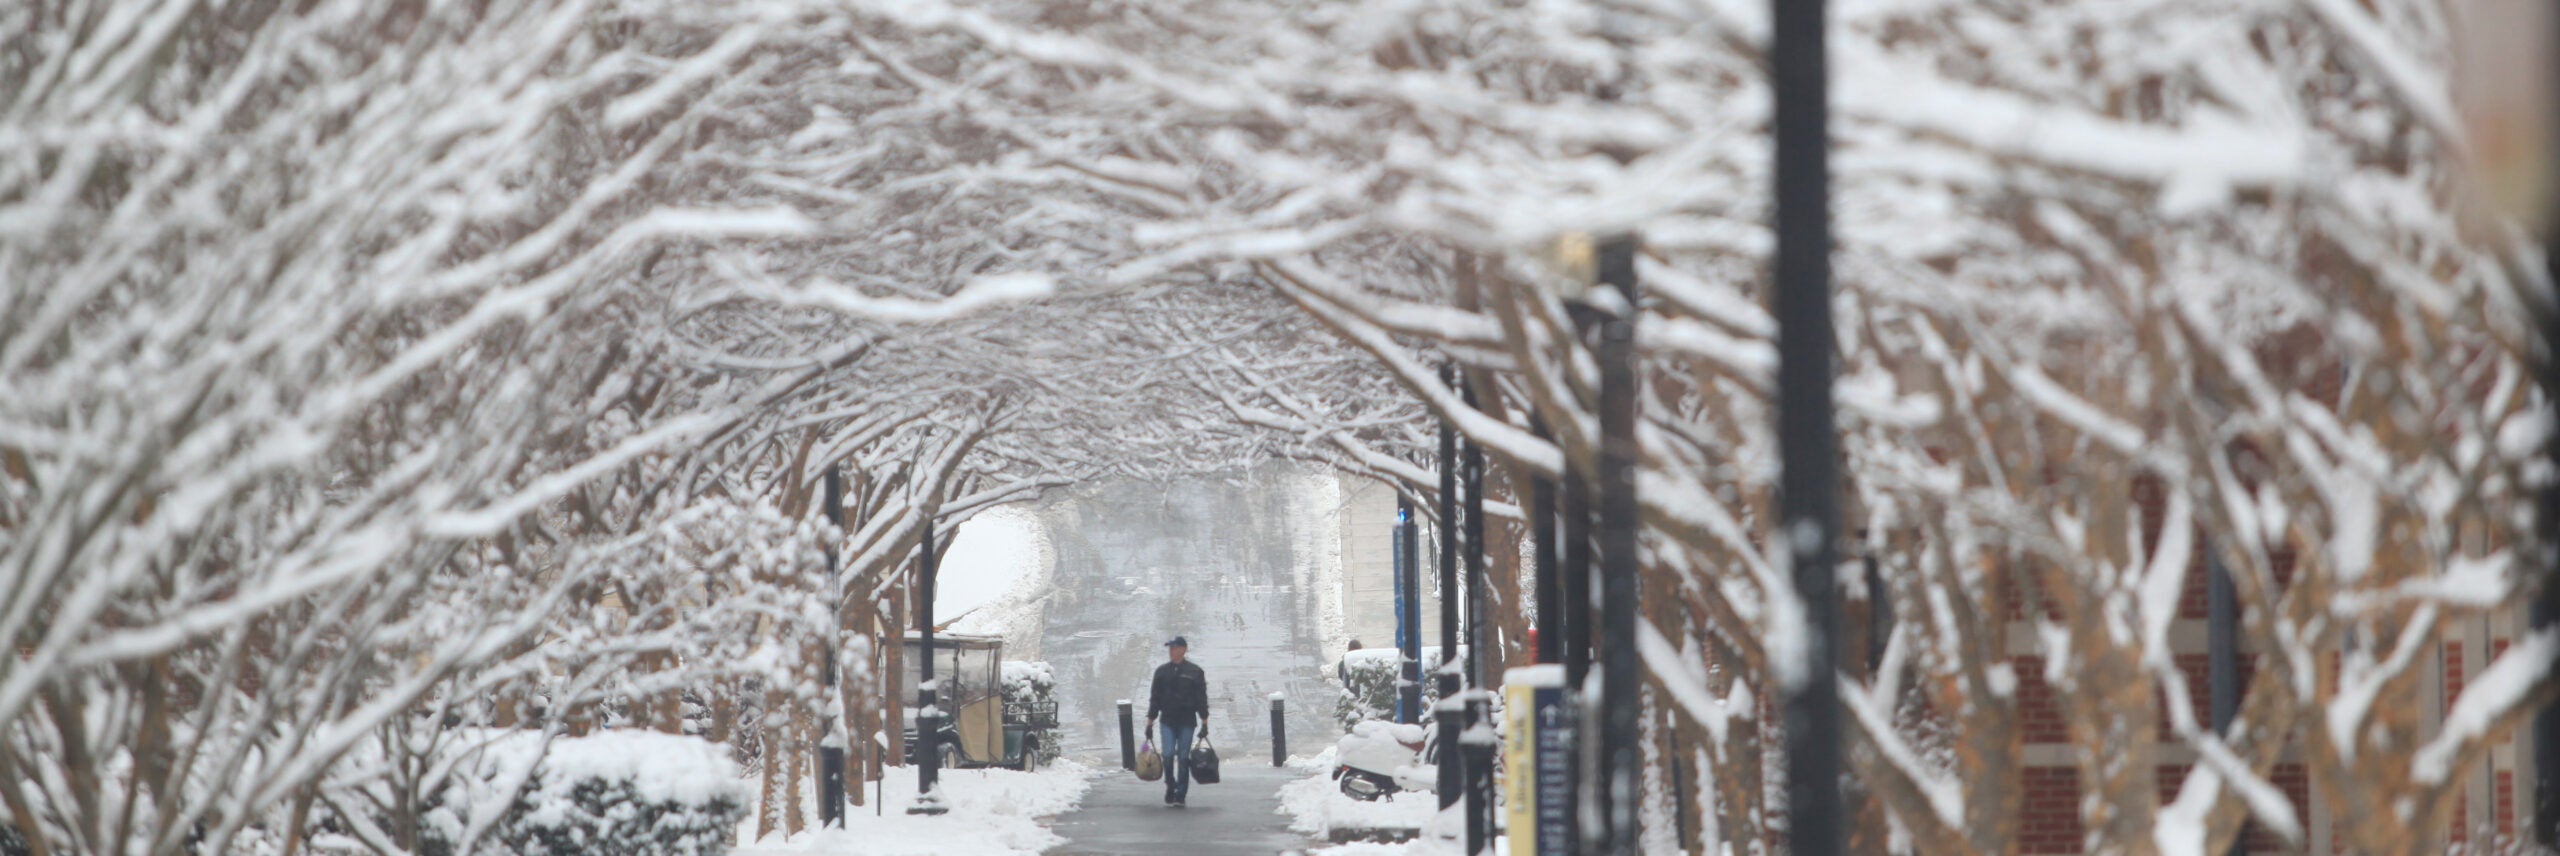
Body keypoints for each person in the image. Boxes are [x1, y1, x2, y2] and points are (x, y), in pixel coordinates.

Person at [1145, 635, 1209, 807]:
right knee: (1167, 755)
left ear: (1183, 649)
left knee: (1182, 757)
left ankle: (1181, 792)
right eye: (1170, 649)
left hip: (1187, 720)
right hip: (1167, 720)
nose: (1172, 652)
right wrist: (1150, 722)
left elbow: (1201, 698)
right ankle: (1170, 785)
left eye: (1175, 648)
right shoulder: (1162, 672)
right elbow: (1155, 698)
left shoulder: (1195, 672)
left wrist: (1204, 721)